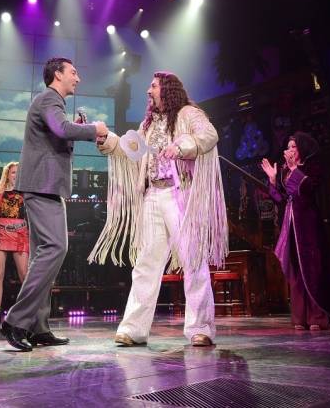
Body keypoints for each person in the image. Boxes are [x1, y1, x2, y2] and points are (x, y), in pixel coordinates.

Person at [89, 71, 228, 347]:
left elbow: (208, 135)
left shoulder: (189, 114)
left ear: (167, 89)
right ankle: (133, 329)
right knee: (146, 263)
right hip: (152, 194)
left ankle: (200, 328)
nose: (148, 91)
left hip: (180, 194)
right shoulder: (149, 124)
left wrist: (182, 146)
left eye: (152, 86)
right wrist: (107, 139)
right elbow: (132, 150)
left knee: (192, 259)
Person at [1, 57, 107, 351]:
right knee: (56, 248)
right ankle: (16, 320)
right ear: (57, 75)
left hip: (44, 187)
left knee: (42, 256)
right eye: (74, 72)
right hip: (42, 187)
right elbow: (61, 129)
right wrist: (94, 129)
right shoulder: (50, 98)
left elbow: (59, 133)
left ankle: (38, 327)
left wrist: (80, 129)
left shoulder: (50, 101)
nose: (78, 78)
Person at [261, 132, 330, 331]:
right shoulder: (284, 171)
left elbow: (308, 190)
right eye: (288, 146)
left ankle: (317, 315)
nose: (289, 150)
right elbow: (280, 199)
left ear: (302, 149)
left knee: (312, 268)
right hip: (290, 226)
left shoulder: (311, 168)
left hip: (308, 225)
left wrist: (296, 169)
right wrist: (272, 180)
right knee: (295, 270)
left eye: (294, 147)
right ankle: (300, 317)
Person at [0, 162, 29, 330]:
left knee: (24, 274)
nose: (16, 175)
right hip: (1, 232)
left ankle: (27, 313)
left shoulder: (26, 192)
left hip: (20, 234)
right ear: (7, 174)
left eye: (18, 172)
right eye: (13, 172)